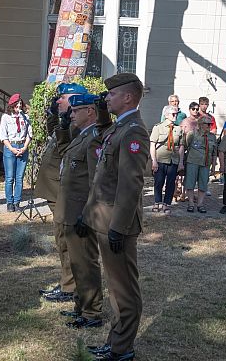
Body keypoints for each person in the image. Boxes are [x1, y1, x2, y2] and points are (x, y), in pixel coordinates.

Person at [79, 73, 149, 361]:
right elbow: (101, 178)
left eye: (111, 95)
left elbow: (130, 183)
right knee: (115, 288)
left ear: (129, 97)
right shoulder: (119, 127)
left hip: (117, 223)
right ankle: (115, 341)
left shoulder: (134, 131)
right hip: (104, 218)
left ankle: (122, 349)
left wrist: (119, 226)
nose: (106, 99)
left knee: (125, 290)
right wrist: (88, 214)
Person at [54, 92, 112, 329]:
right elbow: (62, 151)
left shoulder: (94, 140)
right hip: (69, 209)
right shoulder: (82, 136)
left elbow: (94, 182)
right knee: (76, 263)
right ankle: (81, 305)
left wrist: (86, 213)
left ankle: (91, 312)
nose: (72, 114)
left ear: (90, 112)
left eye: (77, 111)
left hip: (80, 211)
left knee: (86, 263)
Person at [35, 83, 85, 303]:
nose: (57, 101)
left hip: (62, 189)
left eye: (62, 98)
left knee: (66, 240)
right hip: (55, 187)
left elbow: (66, 150)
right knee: (61, 239)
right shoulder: (69, 121)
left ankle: (70, 286)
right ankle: (67, 281)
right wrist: (53, 117)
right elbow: (54, 136)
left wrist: (63, 123)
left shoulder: (79, 124)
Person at [0, 93, 32, 212]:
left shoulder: (25, 117)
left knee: (19, 177)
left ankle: (17, 202)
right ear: (12, 105)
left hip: (22, 146)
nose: (19, 106)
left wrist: (24, 147)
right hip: (10, 147)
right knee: (9, 177)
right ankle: (9, 202)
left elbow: (29, 134)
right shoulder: (6, 117)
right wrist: (12, 149)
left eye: (20, 104)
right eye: (17, 104)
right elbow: (3, 136)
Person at [150, 106, 184, 214]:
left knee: (171, 183)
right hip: (160, 158)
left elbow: (182, 146)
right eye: (173, 114)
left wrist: (181, 162)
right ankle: (157, 202)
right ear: (166, 115)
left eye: (176, 114)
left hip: (173, 159)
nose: (175, 116)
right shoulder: (158, 127)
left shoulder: (178, 129)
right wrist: (153, 160)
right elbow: (152, 144)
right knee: (158, 182)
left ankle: (167, 204)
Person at [181, 115, 217, 213]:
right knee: (190, 183)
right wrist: (181, 163)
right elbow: (185, 146)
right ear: (201, 124)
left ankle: (200, 204)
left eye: (210, 124)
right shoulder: (192, 134)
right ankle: (191, 203)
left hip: (206, 163)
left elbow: (214, 153)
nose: (209, 126)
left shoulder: (212, 137)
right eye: (207, 124)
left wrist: (213, 166)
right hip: (193, 161)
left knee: (203, 184)